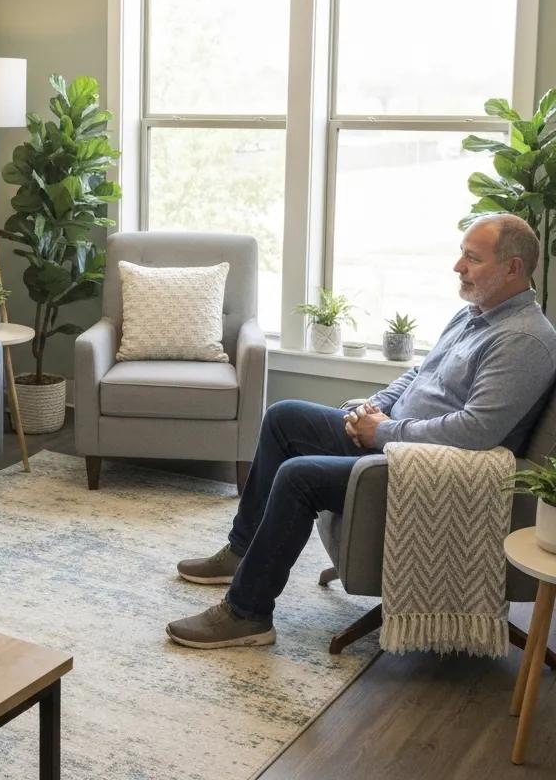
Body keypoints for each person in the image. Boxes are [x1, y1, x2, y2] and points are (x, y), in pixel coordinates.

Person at [167, 213, 556, 650]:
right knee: (283, 417)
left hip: (427, 470)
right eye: (461, 254)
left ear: (512, 269)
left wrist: (384, 432)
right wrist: (376, 407)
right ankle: (241, 553)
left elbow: (474, 432)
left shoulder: (524, 341)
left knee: (299, 475)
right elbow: (418, 373)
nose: (457, 266)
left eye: (472, 258)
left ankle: (248, 614)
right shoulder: (475, 315)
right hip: (393, 437)